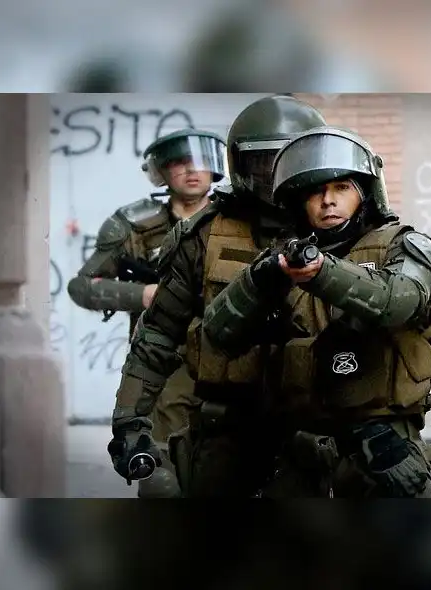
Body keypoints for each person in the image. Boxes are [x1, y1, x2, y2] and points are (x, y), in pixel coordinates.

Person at [202, 125, 431, 497]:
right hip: (295, 449)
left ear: (365, 193)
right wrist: (262, 278)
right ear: (298, 202)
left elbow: (398, 301)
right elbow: (219, 332)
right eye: (315, 191)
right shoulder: (280, 259)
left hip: (381, 449)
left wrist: (322, 271)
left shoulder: (404, 246)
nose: (328, 201)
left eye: (341, 188)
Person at [106, 95, 330, 497]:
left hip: (319, 429)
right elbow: (157, 336)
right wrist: (129, 421)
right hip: (225, 429)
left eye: (291, 160)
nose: (278, 176)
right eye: (265, 162)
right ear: (239, 164)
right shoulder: (203, 235)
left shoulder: (345, 229)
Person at [67, 128, 226, 497]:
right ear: (161, 171)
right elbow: (82, 286)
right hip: (164, 363)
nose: (192, 170)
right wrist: (143, 294)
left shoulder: (235, 222)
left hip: (228, 359)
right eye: (180, 162)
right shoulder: (134, 226)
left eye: (201, 161)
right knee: (162, 472)